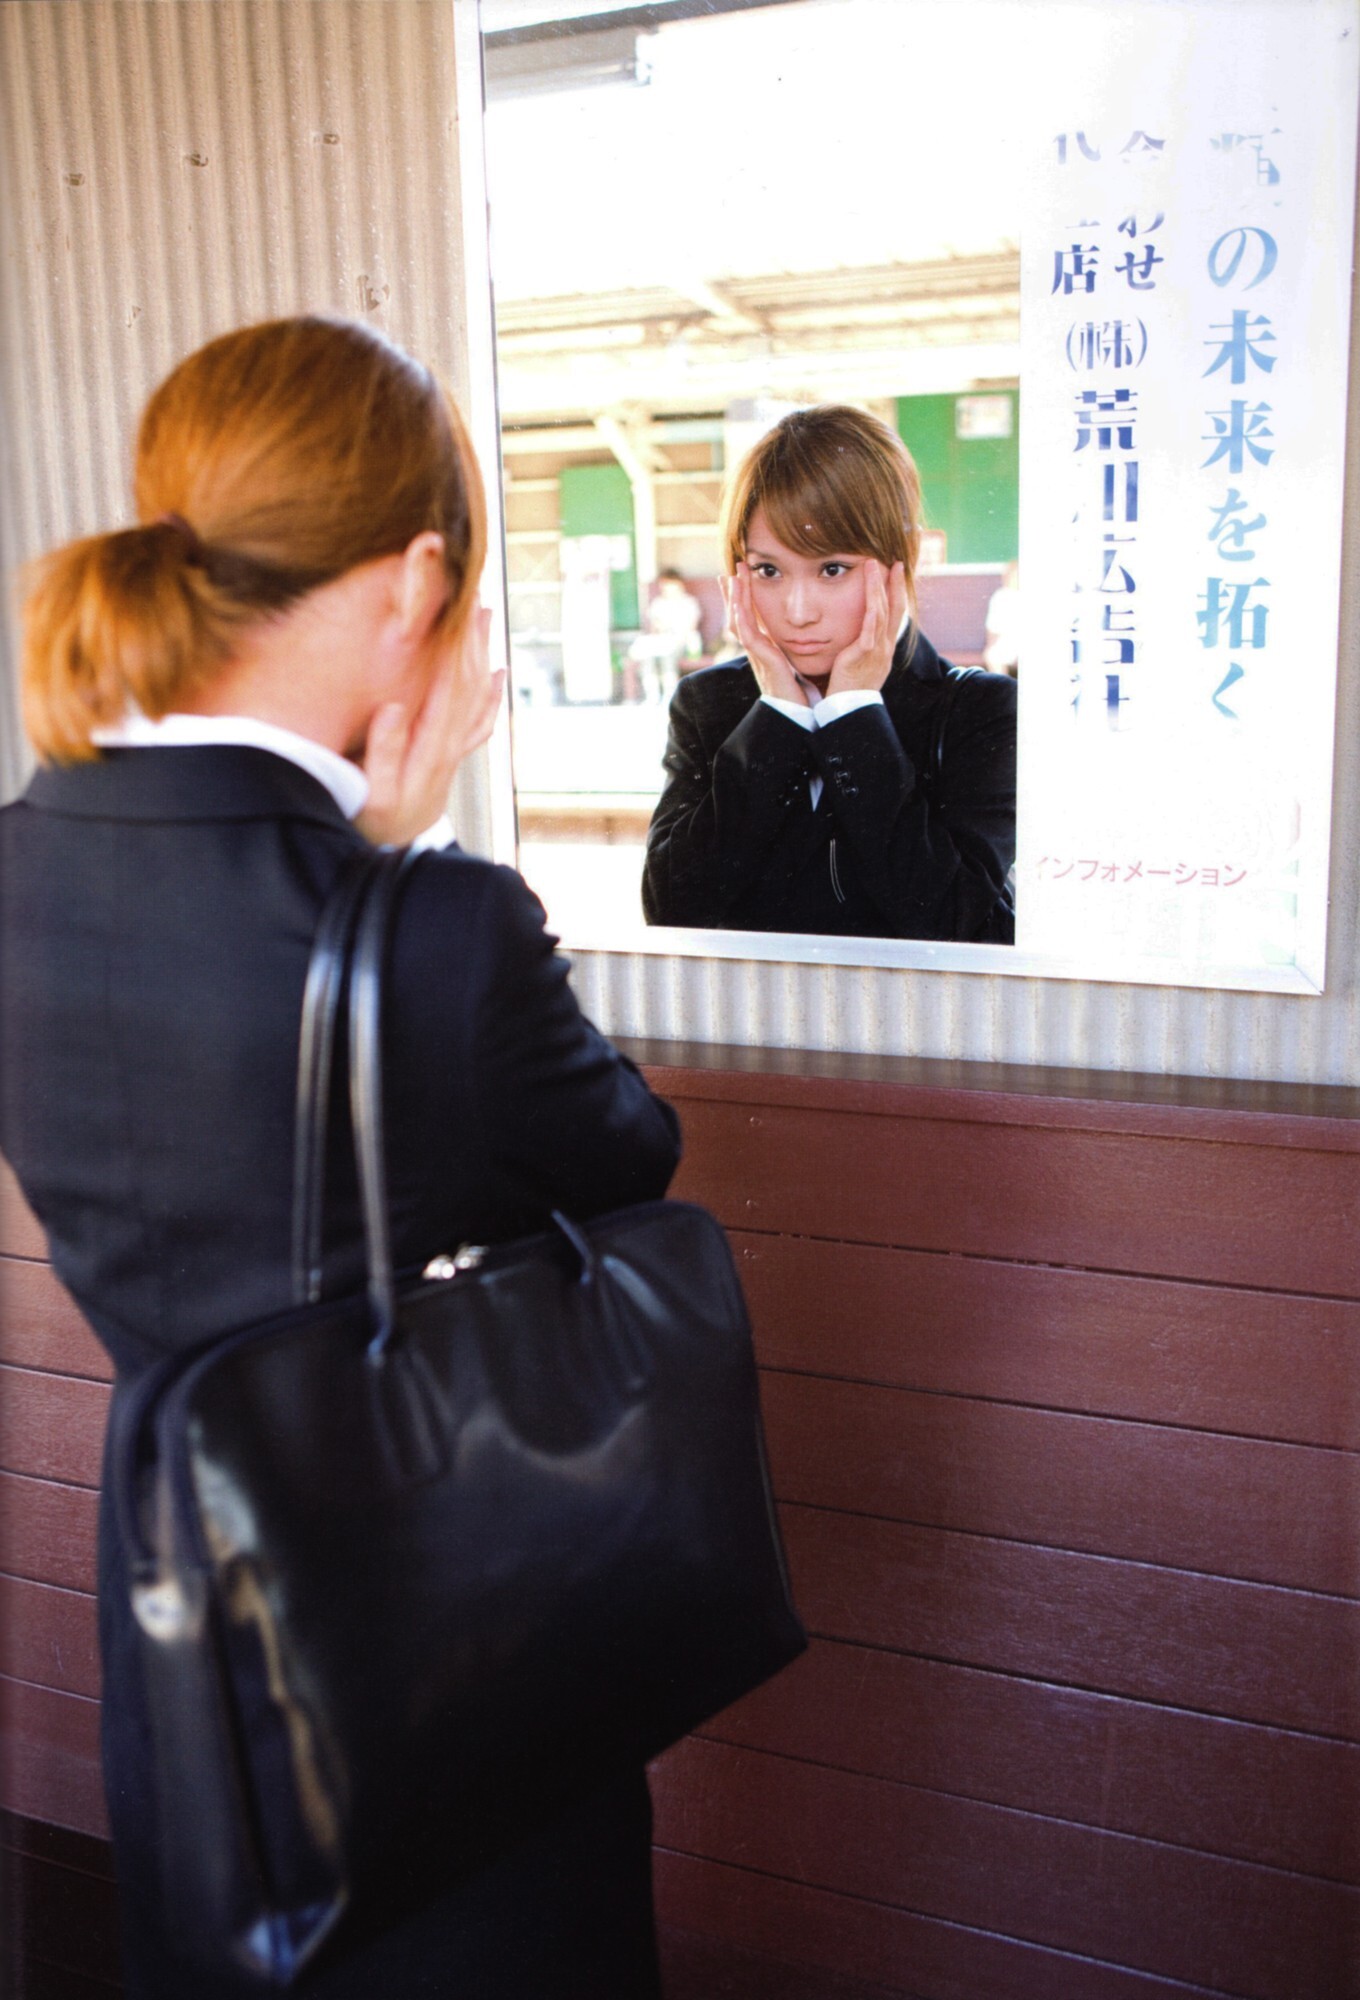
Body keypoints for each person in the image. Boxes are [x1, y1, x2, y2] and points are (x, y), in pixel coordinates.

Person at [0, 316, 680, 1999]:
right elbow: (630, 1156)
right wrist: (408, 856)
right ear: (416, 579)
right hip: (451, 1632)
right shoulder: (435, 930)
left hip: (183, 1617)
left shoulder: (18, 866)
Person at [641, 405, 1016, 939]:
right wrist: (778, 714)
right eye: (768, 570)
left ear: (902, 559)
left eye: (831, 569)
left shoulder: (979, 710)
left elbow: (953, 920)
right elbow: (670, 910)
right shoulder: (711, 702)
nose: (797, 610)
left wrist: (853, 712)